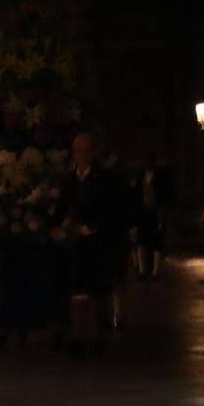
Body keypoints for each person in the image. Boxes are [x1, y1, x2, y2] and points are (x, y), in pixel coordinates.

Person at [55, 133, 123, 351]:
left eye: (85, 151)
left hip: (96, 242)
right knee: (77, 288)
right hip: (74, 243)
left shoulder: (104, 179)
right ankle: (77, 335)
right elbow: (61, 208)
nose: (81, 156)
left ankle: (95, 337)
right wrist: (60, 227)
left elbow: (110, 209)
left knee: (96, 289)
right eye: (78, 151)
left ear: (93, 152)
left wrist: (89, 228)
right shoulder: (68, 180)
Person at [134, 152, 173, 280]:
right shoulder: (140, 177)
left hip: (156, 211)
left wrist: (163, 210)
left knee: (157, 240)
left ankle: (155, 271)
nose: (147, 164)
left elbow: (167, 194)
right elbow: (136, 195)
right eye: (145, 161)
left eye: (149, 161)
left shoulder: (161, 177)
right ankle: (142, 270)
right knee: (141, 240)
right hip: (142, 212)